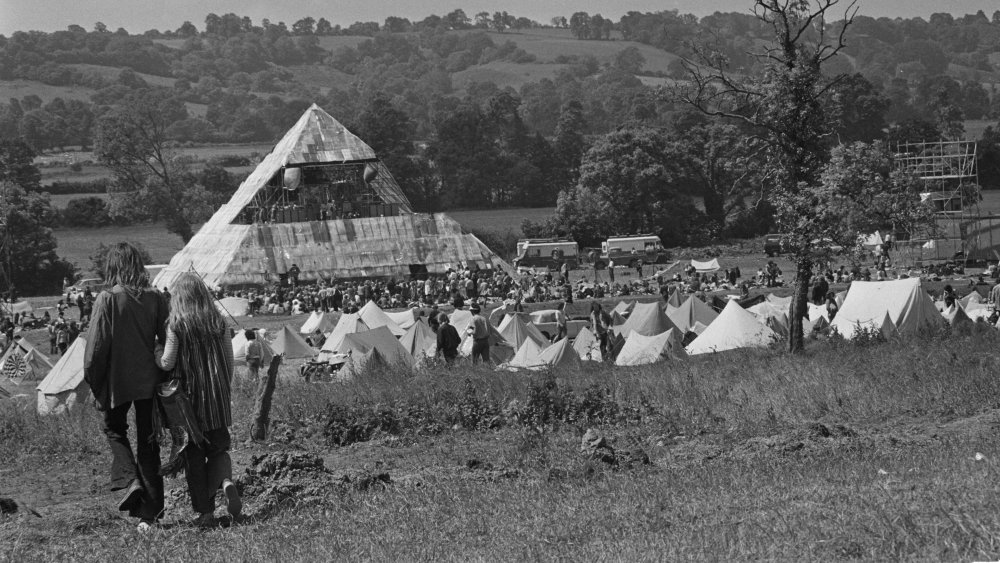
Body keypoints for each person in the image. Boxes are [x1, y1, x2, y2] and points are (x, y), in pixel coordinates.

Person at [83, 242, 169, 532]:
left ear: (113, 266)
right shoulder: (156, 298)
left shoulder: (107, 299)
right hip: (149, 381)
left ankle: (131, 479)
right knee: (149, 443)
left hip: (117, 381)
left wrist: (95, 384)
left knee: (114, 429)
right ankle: (151, 515)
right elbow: (166, 340)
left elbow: (95, 349)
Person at [155, 272, 241, 528]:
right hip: (216, 398)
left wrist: (156, 350)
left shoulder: (176, 324)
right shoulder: (218, 321)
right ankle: (225, 481)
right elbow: (229, 361)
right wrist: (223, 389)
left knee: (193, 458)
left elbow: (168, 362)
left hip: (187, 403)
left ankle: (205, 512)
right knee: (218, 448)